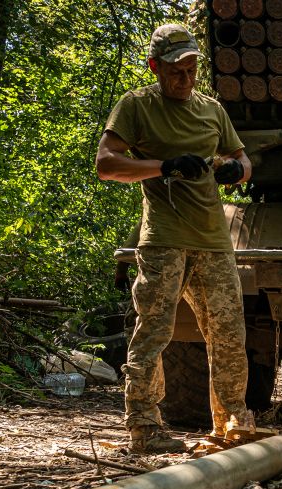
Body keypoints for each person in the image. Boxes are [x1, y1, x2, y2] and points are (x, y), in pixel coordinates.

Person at [95, 23, 255, 453]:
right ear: (155, 67)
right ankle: (145, 427)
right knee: (154, 332)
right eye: (175, 72)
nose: (185, 80)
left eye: (191, 69)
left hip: (214, 241)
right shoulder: (136, 106)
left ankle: (232, 422)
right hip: (164, 240)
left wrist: (235, 170)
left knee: (228, 334)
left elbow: (242, 158)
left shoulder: (211, 109)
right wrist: (163, 166)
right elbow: (107, 164)